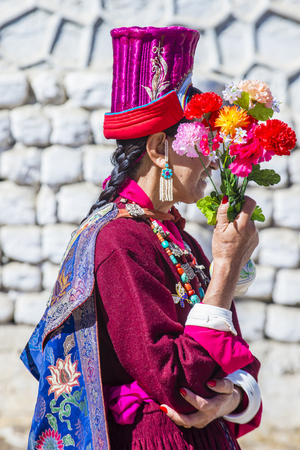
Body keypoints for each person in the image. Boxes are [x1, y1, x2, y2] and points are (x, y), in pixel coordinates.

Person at [22, 26, 262, 450]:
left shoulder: (172, 235)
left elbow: (232, 357)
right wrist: (225, 269)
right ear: (158, 148)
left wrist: (232, 399)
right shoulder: (118, 241)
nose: (210, 156)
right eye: (199, 140)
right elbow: (175, 381)